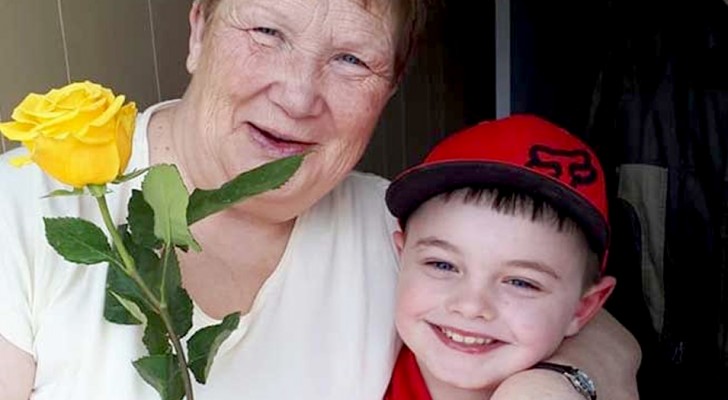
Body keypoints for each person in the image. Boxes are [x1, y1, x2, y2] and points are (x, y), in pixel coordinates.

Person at [0, 0, 640, 399]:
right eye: (267, 31)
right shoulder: (28, 207)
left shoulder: (392, 223)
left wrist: (557, 385)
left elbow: (584, 317)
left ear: (389, 90)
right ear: (198, 28)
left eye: (352, 60)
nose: (299, 95)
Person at [383, 115, 617, 400]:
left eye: (521, 282)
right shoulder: (352, 373)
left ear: (583, 308)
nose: (470, 306)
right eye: (442, 264)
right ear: (401, 256)